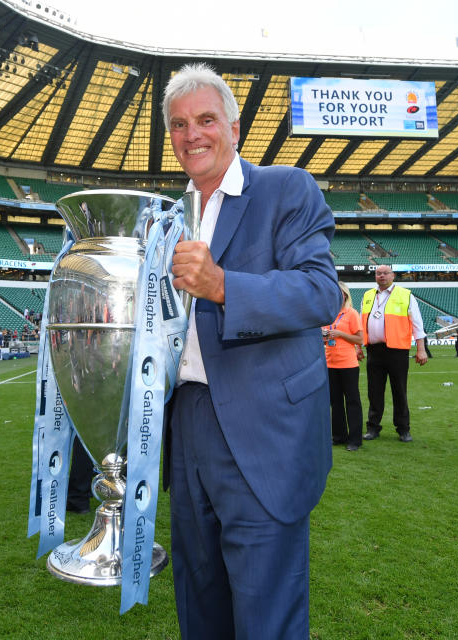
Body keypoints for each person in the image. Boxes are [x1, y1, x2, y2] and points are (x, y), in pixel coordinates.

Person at [163, 63, 341, 638]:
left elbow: (320, 290)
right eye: (179, 125)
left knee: (266, 616)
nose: (193, 135)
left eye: (206, 120)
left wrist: (223, 286)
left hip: (263, 429)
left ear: (234, 128)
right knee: (200, 603)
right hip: (185, 423)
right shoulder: (166, 219)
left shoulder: (286, 188)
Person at [361, 265, 428, 443]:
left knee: (399, 391)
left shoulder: (405, 295)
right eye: (378, 273)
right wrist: (359, 346)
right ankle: (373, 427)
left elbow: (417, 324)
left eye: (385, 273)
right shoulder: (368, 295)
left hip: (397, 351)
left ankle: (403, 429)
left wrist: (420, 349)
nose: (381, 276)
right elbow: (362, 324)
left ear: (393, 275)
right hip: (374, 350)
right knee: (374, 391)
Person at [323, 282, 365, 451]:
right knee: (336, 402)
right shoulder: (327, 314)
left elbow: (360, 339)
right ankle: (339, 436)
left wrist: (340, 334)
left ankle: (355, 439)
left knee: (352, 401)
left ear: (345, 296)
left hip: (348, 364)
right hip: (329, 363)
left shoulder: (351, 313)